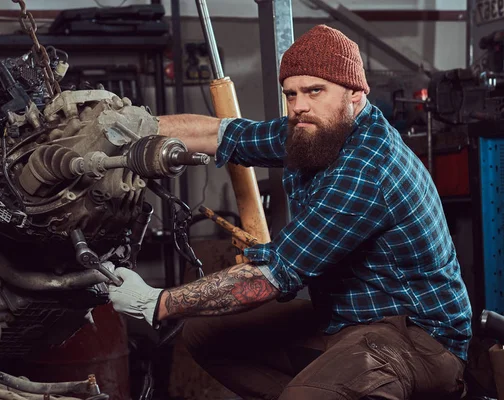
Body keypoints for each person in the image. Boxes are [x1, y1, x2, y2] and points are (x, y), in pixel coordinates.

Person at [108, 24, 472, 399]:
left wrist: (155, 303)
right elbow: (222, 134)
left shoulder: (368, 166)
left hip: (419, 342)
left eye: (315, 91)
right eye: (292, 93)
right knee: (204, 334)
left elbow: (272, 275)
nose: (299, 106)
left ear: (356, 94)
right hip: (347, 321)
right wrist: (132, 129)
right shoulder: (317, 129)